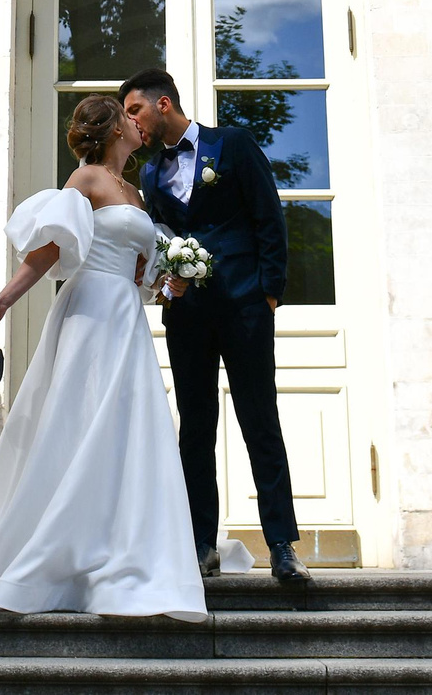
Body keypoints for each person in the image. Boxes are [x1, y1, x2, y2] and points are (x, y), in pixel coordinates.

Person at [0, 95, 211, 618]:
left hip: (126, 317)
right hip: (89, 310)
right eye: (129, 117)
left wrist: (166, 276)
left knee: (125, 428)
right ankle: (55, 551)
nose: (139, 124)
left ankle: (122, 547)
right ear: (112, 129)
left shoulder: (135, 191)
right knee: (79, 421)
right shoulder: (85, 180)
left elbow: (143, 270)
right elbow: (48, 254)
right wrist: (0, 302)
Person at [124, 67, 312, 587]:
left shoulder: (232, 144)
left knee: (259, 421)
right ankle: (201, 544)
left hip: (245, 308)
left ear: (164, 105)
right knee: (195, 428)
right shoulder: (148, 175)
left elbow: (269, 216)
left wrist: (269, 291)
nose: (131, 123)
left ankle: (281, 546)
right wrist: (165, 289)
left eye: (135, 110)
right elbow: (160, 244)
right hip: (186, 316)